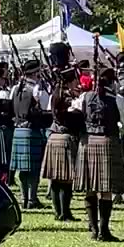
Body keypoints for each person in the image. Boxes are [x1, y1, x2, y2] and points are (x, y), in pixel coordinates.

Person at [75, 68, 124, 242]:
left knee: (90, 188)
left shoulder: (84, 97)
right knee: (105, 190)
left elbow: (74, 115)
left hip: (87, 143)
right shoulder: (117, 100)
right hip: (108, 142)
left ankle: (94, 230)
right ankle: (104, 230)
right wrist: (122, 131)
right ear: (112, 82)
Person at [41, 67, 82, 222]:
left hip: (53, 137)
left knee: (55, 179)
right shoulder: (69, 99)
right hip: (65, 137)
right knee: (65, 179)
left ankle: (58, 212)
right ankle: (65, 213)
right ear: (70, 82)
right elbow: (77, 116)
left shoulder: (55, 95)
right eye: (75, 80)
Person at [10, 60, 50, 210]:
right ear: (35, 73)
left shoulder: (15, 88)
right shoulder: (37, 89)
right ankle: (32, 199)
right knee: (33, 169)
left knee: (22, 170)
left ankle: (23, 198)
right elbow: (46, 107)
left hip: (18, 129)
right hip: (32, 130)